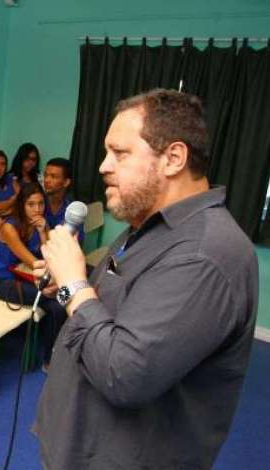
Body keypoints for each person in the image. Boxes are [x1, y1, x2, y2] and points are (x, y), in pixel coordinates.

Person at [34, 89, 258, 470]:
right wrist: (73, 280)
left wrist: (74, 285)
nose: (103, 166)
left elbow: (125, 374)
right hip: (79, 445)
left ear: (173, 158)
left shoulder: (206, 254)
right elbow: (120, 306)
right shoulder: (148, 225)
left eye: (120, 154)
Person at [0, 182, 66, 369]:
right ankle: (50, 361)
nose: (37, 209)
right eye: (31, 204)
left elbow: (50, 255)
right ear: (21, 205)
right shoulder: (9, 227)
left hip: (31, 277)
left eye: (40, 204)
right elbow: (35, 262)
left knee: (61, 300)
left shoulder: (40, 223)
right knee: (59, 300)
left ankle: (54, 355)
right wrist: (56, 281)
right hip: (7, 282)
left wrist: (42, 232)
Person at [43, 157, 84, 243]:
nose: (47, 180)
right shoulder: (36, 203)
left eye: (53, 177)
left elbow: (75, 244)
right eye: (45, 175)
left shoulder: (73, 211)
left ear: (66, 182)